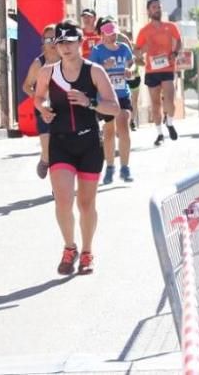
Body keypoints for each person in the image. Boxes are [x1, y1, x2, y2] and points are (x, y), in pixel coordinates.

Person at [33, 21, 120, 275]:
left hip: (90, 144)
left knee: (85, 204)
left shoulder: (95, 72)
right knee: (62, 200)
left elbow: (114, 108)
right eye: (60, 43)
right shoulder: (47, 72)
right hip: (61, 143)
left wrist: (89, 101)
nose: (65, 47)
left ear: (80, 42)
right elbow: (38, 97)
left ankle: (87, 251)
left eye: (70, 42)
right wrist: (43, 109)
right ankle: (69, 248)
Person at [89, 17, 136, 183]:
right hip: (106, 97)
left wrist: (130, 70)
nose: (113, 37)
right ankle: (110, 167)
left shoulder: (123, 48)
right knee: (109, 131)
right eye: (109, 34)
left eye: (114, 33)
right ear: (103, 34)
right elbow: (91, 73)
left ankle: (125, 168)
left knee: (123, 126)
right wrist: (104, 67)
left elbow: (132, 63)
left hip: (123, 94)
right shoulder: (97, 51)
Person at [135, 0, 183, 146]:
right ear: (149, 11)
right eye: (154, 7)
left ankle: (169, 122)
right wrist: (141, 56)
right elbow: (136, 50)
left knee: (169, 98)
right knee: (155, 104)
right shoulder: (144, 31)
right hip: (152, 71)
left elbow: (179, 41)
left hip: (168, 68)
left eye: (159, 7)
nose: (158, 9)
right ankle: (159, 134)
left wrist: (175, 53)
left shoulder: (171, 26)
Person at [22, 24, 61, 179]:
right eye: (48, 39)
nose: (52, 42)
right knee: (49, 151)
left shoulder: (67, 60)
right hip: (43, 110)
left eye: (55, 38)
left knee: (61, 151)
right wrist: (39, 98)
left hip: (63, 109)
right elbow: (26, 86)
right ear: (43, 42)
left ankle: (57, 188)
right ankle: (45, 159)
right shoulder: (39, 63)